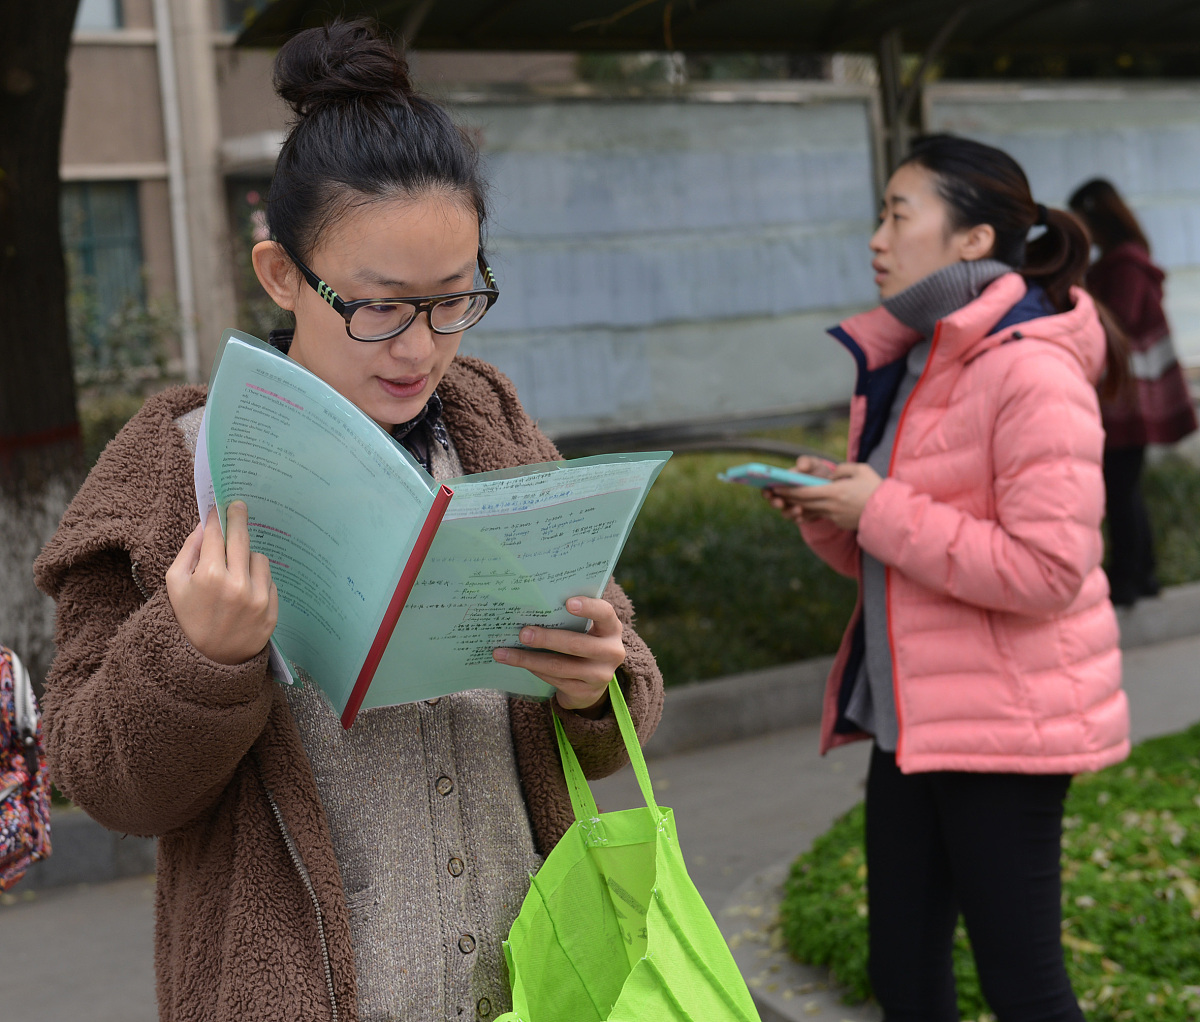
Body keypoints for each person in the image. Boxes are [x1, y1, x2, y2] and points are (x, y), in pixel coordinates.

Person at [33, 21, 663, 1022]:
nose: (421, 346)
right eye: (381, 307)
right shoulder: (171, 465)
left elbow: (613, 721)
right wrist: (198, 655)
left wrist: (597, 683)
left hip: (532, 986)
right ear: (281, 274)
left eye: (456, 301)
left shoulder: (492, 422)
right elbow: (103, 778)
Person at [766, 135, 1129, 1021]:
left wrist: (878, 507)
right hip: (915, 724)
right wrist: (835, 509)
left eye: (899, 213)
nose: (877, 237)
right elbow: (907, 553)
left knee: (1024, 988)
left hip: (1006, 729)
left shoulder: (1031, 369)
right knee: (904, 979)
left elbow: (1048, 568)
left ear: (973, 239)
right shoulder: (928, 357)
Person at [1069, 178, 1197, 606]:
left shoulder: (1123, 268)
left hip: (1126, 401)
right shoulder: (1127, 263)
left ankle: (1130, 576)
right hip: (1133, 398)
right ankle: (1141, 574)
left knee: (1118, 488)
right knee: (1125, 487)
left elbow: (1116, 325)